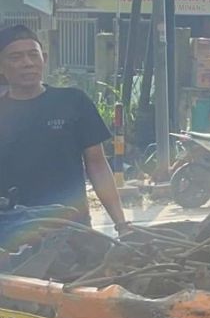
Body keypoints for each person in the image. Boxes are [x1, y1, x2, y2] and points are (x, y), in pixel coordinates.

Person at [0, 25, 129, 230]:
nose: (27, 63)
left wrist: (121, 224)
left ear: (44, 59)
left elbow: (97, 165)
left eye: (33, 55)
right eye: (15, 57)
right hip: (10, 233)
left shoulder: (73, 102)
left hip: (72, 230)